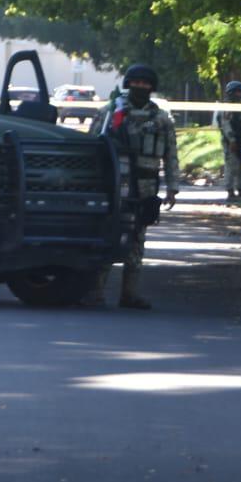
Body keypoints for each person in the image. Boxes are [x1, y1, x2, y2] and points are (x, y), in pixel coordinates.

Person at [93, 63, 179, 310]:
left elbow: (171, 154)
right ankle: (95, 291)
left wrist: (173, 186)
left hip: (146, 185)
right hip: (114, 182)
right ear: (128, 84)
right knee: (107, 232)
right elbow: (93, 145)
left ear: (152, 87)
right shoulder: (111, 113)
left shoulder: (162, 119)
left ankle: (129, 294)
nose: (140, 87)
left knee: (137, 238)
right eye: (136, 82)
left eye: (145, 83)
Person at [213, 80, 241, 202]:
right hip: (230, 142)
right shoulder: (227, 109)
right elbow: (226, 125)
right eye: (238, 92)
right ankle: (230, 192)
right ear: (232, 93)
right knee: (231, 167)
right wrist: (232, 140)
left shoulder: (240, 108)